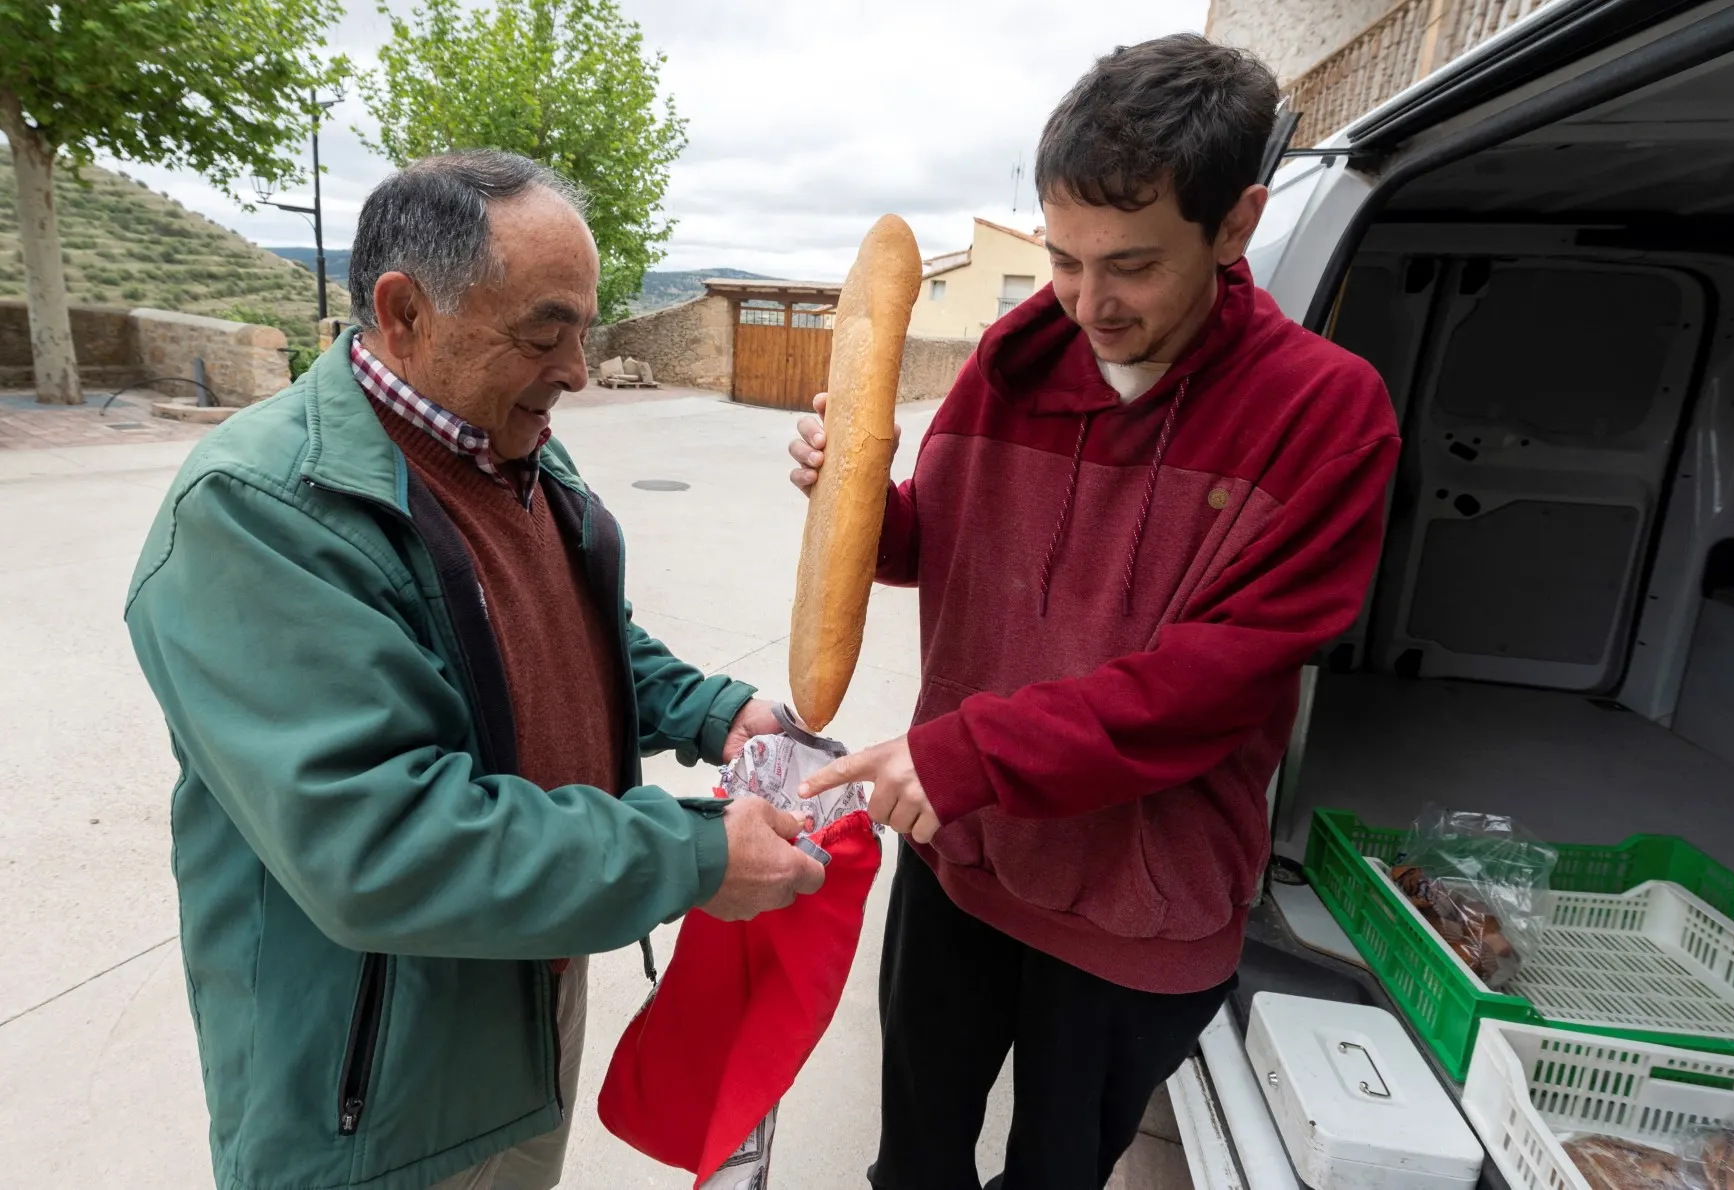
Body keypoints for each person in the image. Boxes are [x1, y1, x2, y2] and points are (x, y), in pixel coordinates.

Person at [125, 149, 824, 1190]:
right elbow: (383, 839)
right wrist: (692, 854)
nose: (579, 369)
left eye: (585, 328)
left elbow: (581, 635)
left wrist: (719, 711)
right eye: (545, 331)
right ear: (404, 312)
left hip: (532, 971)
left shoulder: (516, 443)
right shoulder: (256, 512)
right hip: (373, 1072)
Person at [791, 34, 1401, 1189]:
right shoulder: (1012, 364)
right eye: (1065, 259)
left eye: (1128, 265)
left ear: (1236, 226)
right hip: (961, 854)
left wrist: (969, 750)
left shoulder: (1325, 412)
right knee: (914, 1162)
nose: (1086, 301)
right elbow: (943, 541)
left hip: (1136, 906)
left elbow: (1209, 685)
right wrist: (855, 497)